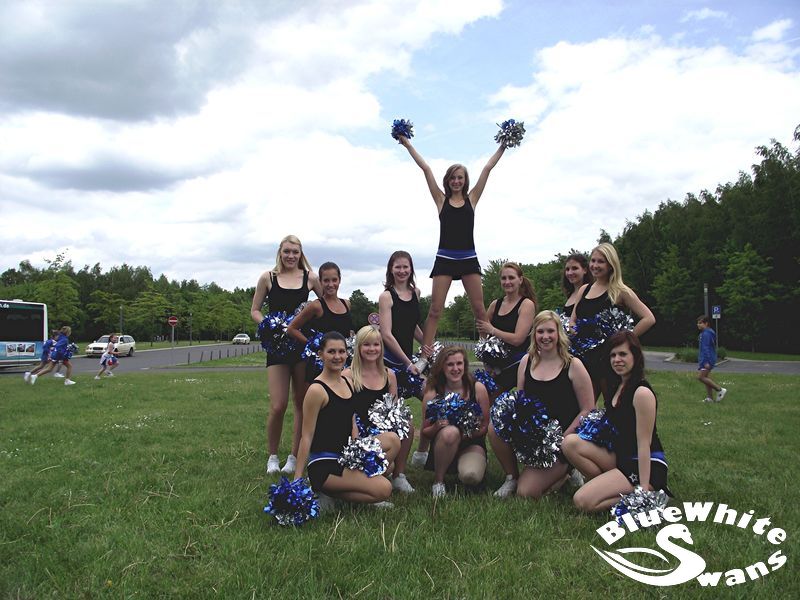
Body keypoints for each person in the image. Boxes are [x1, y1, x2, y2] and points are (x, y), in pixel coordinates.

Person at [397, 133, 507, 354]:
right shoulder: (441, 200)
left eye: (460, 178)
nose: (456, 181)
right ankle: (426, 354)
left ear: (465, 181)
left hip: (468, 258)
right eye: (453, 178)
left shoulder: (472, 199)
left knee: (479, 310)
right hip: (445, 258)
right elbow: (426, 169)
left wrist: (503, 145)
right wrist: (407, 145)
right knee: (435, 310)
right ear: (447, 181)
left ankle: (489, 353)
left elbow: (487, 169)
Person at [490, 310, 594, 498]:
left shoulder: (573, 364)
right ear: (534, 334)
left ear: (559, 333)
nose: (545, 337)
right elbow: (520, 402)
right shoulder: (526, 361)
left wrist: (562, 440)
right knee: (494, 426)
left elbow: (588, 409)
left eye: (550, 331)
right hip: (534, 437)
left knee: (526, 492)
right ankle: (511, 477)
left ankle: (568, 469)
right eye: (540, 331)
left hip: (561, 440)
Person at [563, 331, 670, 513]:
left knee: (582, 501)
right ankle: (606, 487)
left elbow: (644, 444)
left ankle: (649, 495)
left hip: (644, 464)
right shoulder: (617, 386)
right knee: (570, 443)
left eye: (623, 354)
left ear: (635, 356)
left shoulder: (641, 393)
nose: (617, 360)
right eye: (613, 355)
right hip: (621, 457)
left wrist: (644, 488)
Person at [251, 235, 322, 476]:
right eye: (287, 251)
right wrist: (269, 324)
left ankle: (293, 457)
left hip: (301, 346)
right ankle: (272, 456)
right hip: (277, 348)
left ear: (301, 254)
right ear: (280, 253)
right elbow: (255, 310)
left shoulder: (310, 278)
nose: (291, 256)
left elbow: (325, 304)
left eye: (295, 252)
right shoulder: (268, 278)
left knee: (301, 403)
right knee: (278, 404)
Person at [294, 332, 392, 506]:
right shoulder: (316, 390)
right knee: (384, 488)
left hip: (345, 457)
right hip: (324, 464)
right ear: (321, 354)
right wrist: (297, 480)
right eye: (331, 352)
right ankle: (324, 491)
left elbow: (352, 422)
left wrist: (359, 455)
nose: (337, 357)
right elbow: (306, 436)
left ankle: (338, 493)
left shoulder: (348, 383)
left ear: (347, 354)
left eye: (341, 351)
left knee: (389, 456)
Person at [570, 242, 655, 401]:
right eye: (593, 261)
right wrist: (575, 334)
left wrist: (624, 340)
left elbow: (648, 318)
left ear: (610, 265)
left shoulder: (620, 291)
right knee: (583, 405)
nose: (595, 265)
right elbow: (573, 320)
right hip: (583, 359)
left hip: (607, 359)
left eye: (600, 262)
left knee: (613, 403)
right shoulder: (584, 289)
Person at [377, 250, 432, 466]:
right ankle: (393, 465)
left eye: (405, 267)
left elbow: (413, 326)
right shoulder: (386, 297)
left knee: (432, 397)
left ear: (411, 269)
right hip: (390, 365)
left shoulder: (416, 292)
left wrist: (427, 345)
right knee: (396, 416)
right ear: (391, 269)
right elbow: (386, 334)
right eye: (397, 267)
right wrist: (407, 363)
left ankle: (421, 453)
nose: (402, 271)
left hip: (410, 364)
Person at [342, 325, 409, 492]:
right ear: (358, 347)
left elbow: (394, 411)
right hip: (355, 433)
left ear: (381, 347)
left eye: (376, 344)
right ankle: (363, 483)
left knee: (407, 425)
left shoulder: (389, 375)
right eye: (366, 344)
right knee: (388, 465)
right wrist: (356, 439)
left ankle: (399, 476)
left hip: (379, 432)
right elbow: (344, 411)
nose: (372, 349)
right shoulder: (348, 375)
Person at [421, 346, 491, 497]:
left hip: (471, 444)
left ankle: (471, 464)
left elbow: (485, 426)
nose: (455, 369)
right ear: (442, 367)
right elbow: (425, 431)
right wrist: (437, 426)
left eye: (459, 363)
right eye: (450, 364)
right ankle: (438, 481)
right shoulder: (433, 392)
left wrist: (467, 433)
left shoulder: (477, 388)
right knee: (451, 432)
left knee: (471, 477)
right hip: (444, 442)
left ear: (465, 365)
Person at [287, 261, 355, 383]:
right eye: (326, 280)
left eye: (334, 280)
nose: (331, 284)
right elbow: (292, 328)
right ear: (320, 282)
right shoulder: (316, 306)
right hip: (321, 366)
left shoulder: (347, 304)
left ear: (339, 280)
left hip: (342, 363)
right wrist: (312, 344)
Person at [476, 262, 537, 396]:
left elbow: (518, 339)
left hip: (518, 363)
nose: (507, 282)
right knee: (481, 396)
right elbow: (482, 332)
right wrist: (487, 362)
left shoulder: (526, 304)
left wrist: (492, 330)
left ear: (520, 280)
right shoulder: (495, 305)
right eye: (504, 278)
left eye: (511, 278)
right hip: (496, 365)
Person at [697, 315, 726, 403]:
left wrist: (706, 361)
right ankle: (710, 398)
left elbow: (706, 348)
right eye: (698, 323)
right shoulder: (706, 333)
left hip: (707, 359)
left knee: (701, 377)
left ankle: (720, 390)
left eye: (700, 323)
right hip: (705, 358)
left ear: (706, 323)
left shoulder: (706, 334)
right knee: (706, 377)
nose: (698, 325)